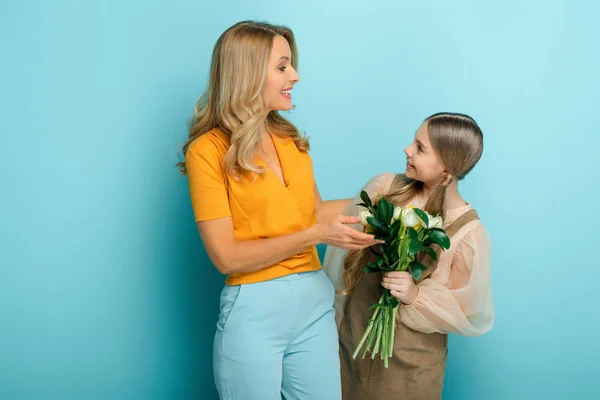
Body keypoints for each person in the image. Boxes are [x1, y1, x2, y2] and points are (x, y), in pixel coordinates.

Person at [179, 20, 380, 400]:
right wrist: (315, 235)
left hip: (314, 300)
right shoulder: (207, 151)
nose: (296, 76)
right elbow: (225, 257)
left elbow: (316, 213)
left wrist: (383, 198)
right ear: (249, 72)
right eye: (283, 66)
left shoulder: (290, 140)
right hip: (255, 309)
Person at [323, 112, 495, 400]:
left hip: (413, 370)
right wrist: (332, 325)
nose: (407, 150)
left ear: (446, 168)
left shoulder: (468, 234)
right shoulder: (383, 189)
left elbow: (469, 313)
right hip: (352, 348)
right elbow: (342, 260)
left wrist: (416, 295)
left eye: (420, 147)